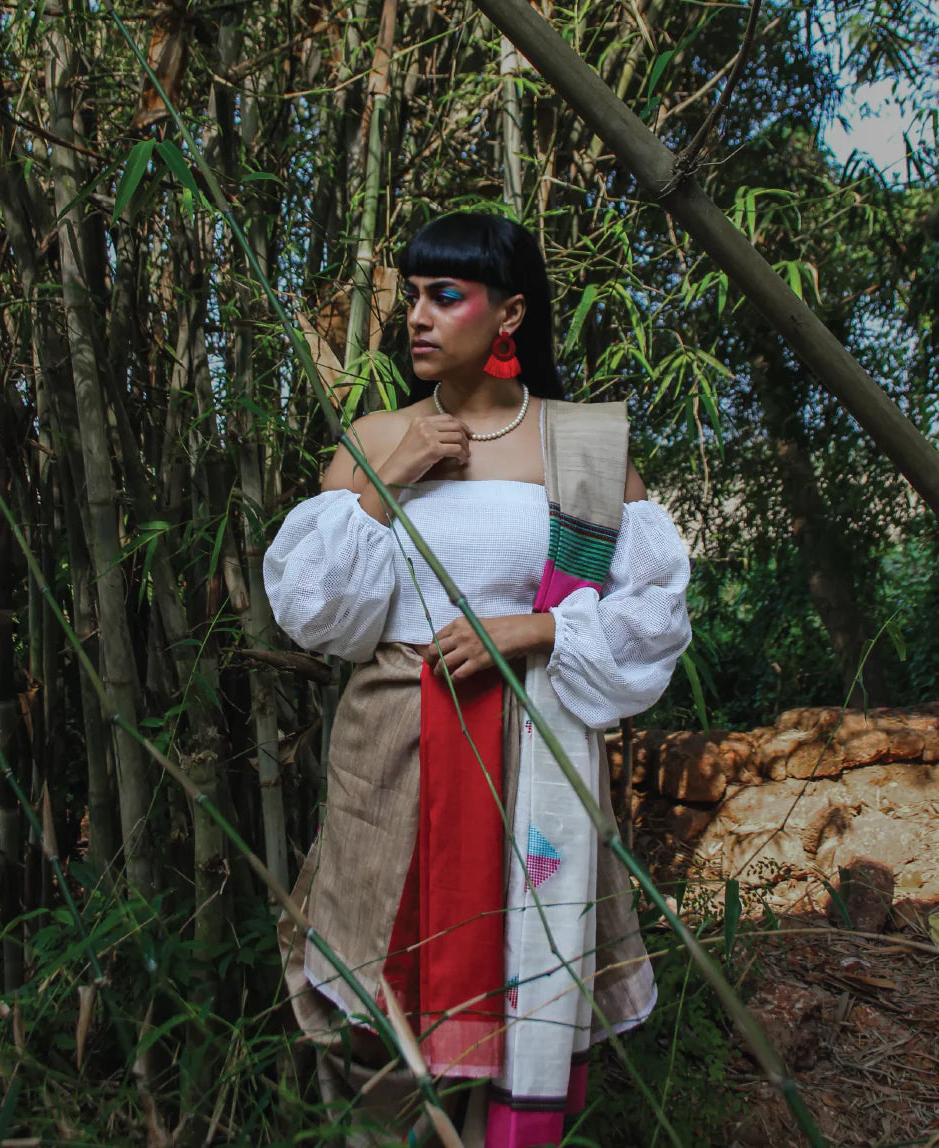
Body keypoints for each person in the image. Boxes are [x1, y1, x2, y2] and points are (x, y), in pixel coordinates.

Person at [264, 212, 692, 1148]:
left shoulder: (582, 446)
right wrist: (394, 474)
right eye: (414, 295)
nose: (417, 315)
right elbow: (316, 609)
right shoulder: (378, 435)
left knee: (522, 968)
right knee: (384, 973)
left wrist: (532, 628)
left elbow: (654, 611)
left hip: (534, 753)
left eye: (445, 295)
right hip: (393, 754)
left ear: (510, 314)